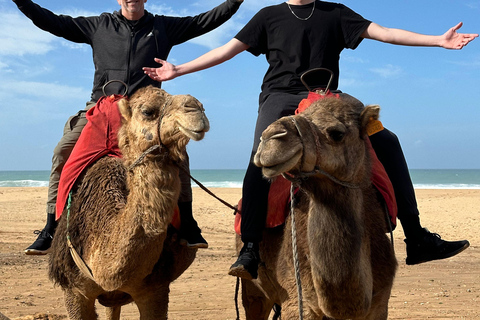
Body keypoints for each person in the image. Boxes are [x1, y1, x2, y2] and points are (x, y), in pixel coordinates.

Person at [143, 0, 478, 279]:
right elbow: (227, 51)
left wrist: (438, 40)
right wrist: (179, 70)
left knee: (386, 140)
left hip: (329, 97)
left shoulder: (335, 13)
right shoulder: (268, 16)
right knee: (261, 156)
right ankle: (251, 248)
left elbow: (386, 33)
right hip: (280, 97)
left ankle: (417, 237)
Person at [14, 0, 245, 255]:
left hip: (146, 111)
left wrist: (235, 2)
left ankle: (188, 224)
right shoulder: (98, 25)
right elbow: (53, 22)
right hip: (101, 105)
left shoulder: (162, 27)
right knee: (62, 152)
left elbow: (205, 21)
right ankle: (50, 227)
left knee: (179, 155)